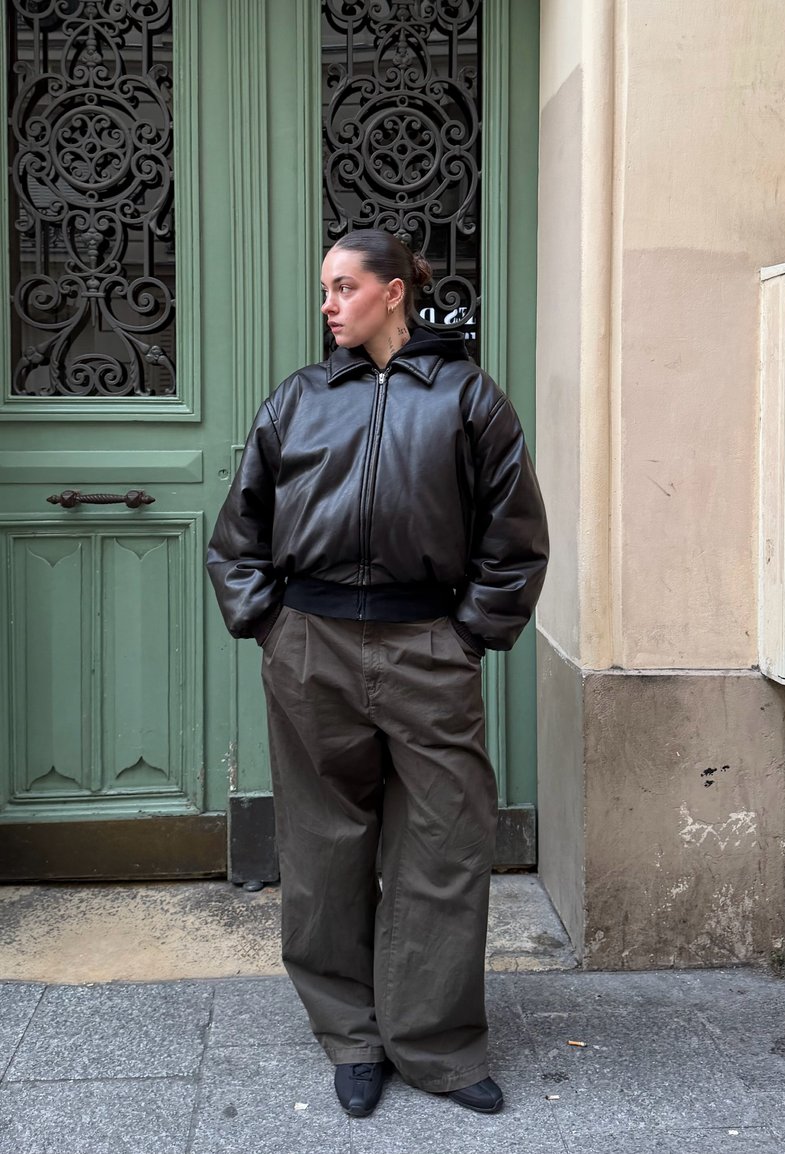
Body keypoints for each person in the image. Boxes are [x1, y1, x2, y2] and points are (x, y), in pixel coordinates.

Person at [207, 229, 548, 1118]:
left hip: (425, 646)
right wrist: (271, 626)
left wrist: (465, 637)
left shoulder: (468, 399)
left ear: (394, 292)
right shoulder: (300, 399)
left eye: (344, 287)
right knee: (324, 845)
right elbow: (238, 532)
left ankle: (433, 1044)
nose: (328, 305)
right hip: (310, 645)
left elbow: (515, 540)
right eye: (325, 289)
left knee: (445, 842)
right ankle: (352, 1035)